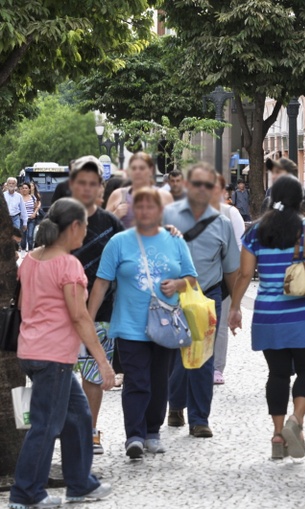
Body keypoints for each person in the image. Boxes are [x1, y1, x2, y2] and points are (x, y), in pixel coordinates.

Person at [10, 198, 115, 508]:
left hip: (32, 350)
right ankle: (26, 493)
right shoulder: (68, 265)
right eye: (84, 225)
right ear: (74, 227)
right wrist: (103, 362)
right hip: (53, 356)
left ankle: (80, 484)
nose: (86, 231)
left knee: (79, 416)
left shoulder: (31, 259)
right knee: (46, 425)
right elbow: (80, 317)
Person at [228, 176, 305, 459]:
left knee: (277, 374)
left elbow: (244, 274)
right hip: (303, 315)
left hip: (268, 315)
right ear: (300, 200)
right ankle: (296, 421)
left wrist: (235, 308)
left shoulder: (255, 233)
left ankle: (277, 436)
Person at [89, 187, 197, 458]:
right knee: (137, 381)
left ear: (161, 211)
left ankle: (153, 431)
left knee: (160, 381)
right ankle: (134, 436)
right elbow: (102, 282)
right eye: (141, 207)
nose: (147, 211)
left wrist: (178, 284)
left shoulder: (175, 241)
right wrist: (88, 320)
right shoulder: (119, 242)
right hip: (129, 325)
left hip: (165, 326)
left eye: (152, 207)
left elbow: (192, 278)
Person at [164, 163, 240, 438]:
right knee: (176, 355)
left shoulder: (222, 224)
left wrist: (236, 307)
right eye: (196, 184)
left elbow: (232, 267)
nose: (201, 190)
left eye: (208, 185)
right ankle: (175, 404)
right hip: (171, 295)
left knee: (203, 355)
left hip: (208, 294)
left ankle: (199, 418)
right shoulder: (167, 215)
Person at [68, 156, 125, 455]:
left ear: (100, 188)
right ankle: (66, 430)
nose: (88, 188)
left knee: (92, 373)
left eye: (94, 183)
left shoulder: (110, 222)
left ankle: (90, 430)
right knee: (63, 372)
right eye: (82, 183)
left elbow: (132, 248)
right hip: (62, 311)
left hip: (102, 311)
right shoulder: (60, 217)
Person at [210, 174, 245, 386]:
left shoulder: (231, 212)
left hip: (224, 276)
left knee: (220, 325)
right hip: (197, 277)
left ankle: (216, 367)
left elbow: (240, 246)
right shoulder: (188, 214)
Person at [106, 152, 173, 229]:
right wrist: (115, 215)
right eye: (134, 168)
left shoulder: (164, 196)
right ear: (129, 171)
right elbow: (102, 229)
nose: (137, 172)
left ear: (151, 170)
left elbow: (173, 227)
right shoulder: (118, 194)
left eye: (142, 168)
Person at [19, 182, 40, 251]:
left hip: (31, 219)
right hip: (22, 220)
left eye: (26, 188)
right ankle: (23, 249)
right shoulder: (19, 198)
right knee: (23, 237)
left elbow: (36, 207)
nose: (24, 190)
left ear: (29, 189)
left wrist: (34, 213)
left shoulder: (33, 198)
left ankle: (30, 250)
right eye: (23, 188)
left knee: (30, 236)